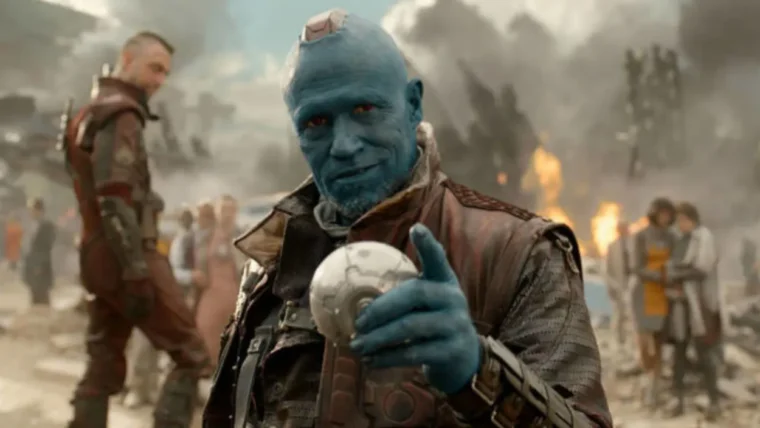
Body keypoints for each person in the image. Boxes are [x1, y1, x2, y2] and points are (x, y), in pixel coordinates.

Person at [203, 9, 611, 428]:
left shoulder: (518, 254)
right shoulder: (272, 263)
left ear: (414, 104)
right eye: (316, 122)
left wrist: (478, 373)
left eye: (364, 109)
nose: (343, 145)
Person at [61, 31, 209, 428]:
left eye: (165, 73)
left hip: (98, 251)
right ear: (128, 58)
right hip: (124, 252)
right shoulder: (120, 113)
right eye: (154, 68)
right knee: (191, 354)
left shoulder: (91, 111)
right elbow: (113, 198)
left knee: (103, 363)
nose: (160, 80)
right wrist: (135, 268)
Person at [665, 202, 721, 420]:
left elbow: (702, 268)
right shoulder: (682, 240)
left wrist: (678, 274)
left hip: (700, 305)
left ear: (692, 218)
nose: (680, 224)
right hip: (680, 304)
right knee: (679, 352)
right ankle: (678, 400)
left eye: (682, 220)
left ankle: (714, 402)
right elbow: (673, 265)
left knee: (704, 353)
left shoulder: (703, 237)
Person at [630, 197, 676, 409]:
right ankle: (647, 371)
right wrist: (658, 276)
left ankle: (654, 387)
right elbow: (636, 267)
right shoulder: (641, 236)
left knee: (659, 342)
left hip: (664, 295)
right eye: (662, 214)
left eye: (668, 214)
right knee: (643, 341)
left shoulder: (672, 237)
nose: (665, 218)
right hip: (643, 293)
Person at [193, 195, 243, 368]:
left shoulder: (243, 236)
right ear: (216, 212)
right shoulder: (204, 237)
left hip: (237, 295)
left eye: (231, 210)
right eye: (223, 210)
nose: (227, 214)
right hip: (211, 294)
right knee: (205, 334)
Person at [20, 197, 57, 307]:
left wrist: (39, 265)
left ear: (39, 210)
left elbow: (46, 247)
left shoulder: (47, 226)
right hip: (31, 266)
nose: (30, 212)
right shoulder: (30, 225)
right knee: (34, 296)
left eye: (32, 210)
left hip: (41, 267)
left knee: (42, 297)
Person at [603, 220, 633, 350]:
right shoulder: (612, 247)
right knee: (619, 314)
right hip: (619, 285)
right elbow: (608, 269)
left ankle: (631, 343)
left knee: (632, 316)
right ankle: (619, 341)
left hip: (632, 284)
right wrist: (613, 285)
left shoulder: (634, 244)